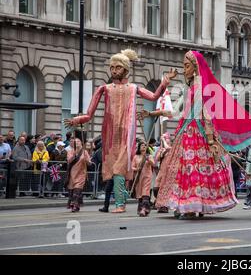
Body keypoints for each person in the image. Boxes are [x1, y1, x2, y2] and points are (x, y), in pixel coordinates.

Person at [148, 51, 251, 219]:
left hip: (198, 133)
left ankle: (193, 206)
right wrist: (152, 112)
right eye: (183, 66)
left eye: (186, 66)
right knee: (185, 170)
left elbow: (206, 113)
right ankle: (190, 205)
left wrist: (210, 138)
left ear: (195, 68)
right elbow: (175, 111)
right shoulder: (191, 88)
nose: (184, 70)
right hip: (187, 132)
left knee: (195, 169)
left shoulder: (201, 87)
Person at [64, 49, 177, 213]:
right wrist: (77, 120)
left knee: (118, 170)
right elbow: (89, 114)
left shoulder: (133, 88)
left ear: (125, 69)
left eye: (117, 67)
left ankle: (121, 205)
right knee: (114, 172)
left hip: (126, 135)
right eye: (112, 67)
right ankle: (125, 202)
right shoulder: (104, 88)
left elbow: (153, 97)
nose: (114, 70)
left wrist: (164, 82)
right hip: (109, 138)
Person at [66, 138, 91, 212]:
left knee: (77, 189)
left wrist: (87, 160)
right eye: (75, 142)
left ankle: (74, 205)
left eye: (78, 141)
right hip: (72, 174)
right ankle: (77, 205)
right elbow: (69, 161)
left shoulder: (84, 152)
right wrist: (74, 154)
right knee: (72, 191)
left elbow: (89, 163)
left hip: (81, 174)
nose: (76, 143)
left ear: (81, 143)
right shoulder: (70, 152)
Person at [131, 142, 154, 217]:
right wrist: (136, 169)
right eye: (142, 145)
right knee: (140, 193)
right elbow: (132, 167)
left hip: (147, 176)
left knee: (145, 192)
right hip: (139, 177)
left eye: (145, 145)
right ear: (139, 147)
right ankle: (141, 208)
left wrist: (148, 159)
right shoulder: (136, 157)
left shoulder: (149, 156)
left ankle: (144, 209)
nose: (143, 146)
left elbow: (153, 164)